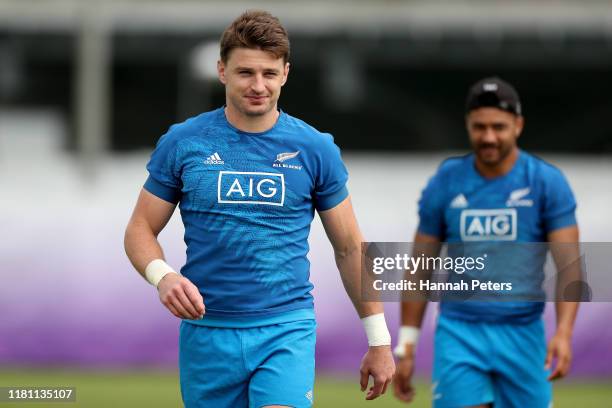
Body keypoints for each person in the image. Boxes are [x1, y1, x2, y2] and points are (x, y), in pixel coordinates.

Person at [124, 10, 394, 408]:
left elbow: (351, 249)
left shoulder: (315, 149)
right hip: (207, 331)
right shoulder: (184, 143)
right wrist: (163, 276)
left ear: (285, 73)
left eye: (269, 73)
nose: (258, 85)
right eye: (245, 72)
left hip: (285, 329)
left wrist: (379, 340)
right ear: (222, 71)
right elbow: (139, 230)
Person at [393, 77, 580, 407]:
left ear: (518, 125)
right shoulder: (446, 181)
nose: (489, 137)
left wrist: (564, 334)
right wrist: (406, 346)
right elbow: (420, 268)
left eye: (499, 127)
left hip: (523, 335)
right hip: (460, 332)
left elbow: (570, 268)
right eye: (480, 127)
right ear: (468, 125)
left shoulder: (546, 183)